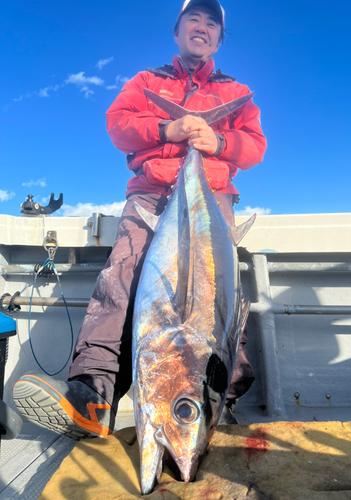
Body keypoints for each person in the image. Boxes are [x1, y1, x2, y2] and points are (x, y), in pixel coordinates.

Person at [13, 0, 267, 438]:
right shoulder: (148, 81)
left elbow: (255, 146)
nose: (202, 28)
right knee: (121, 283)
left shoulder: (234, 92)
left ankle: (218, 402)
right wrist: (167, 130)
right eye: (194, 19)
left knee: (217, 298)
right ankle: (93, 397)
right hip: (151, 196)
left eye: (212, 23)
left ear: (219, 38)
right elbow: (119, 125)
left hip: (211, 200)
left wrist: (217, 138)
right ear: (177, 30)